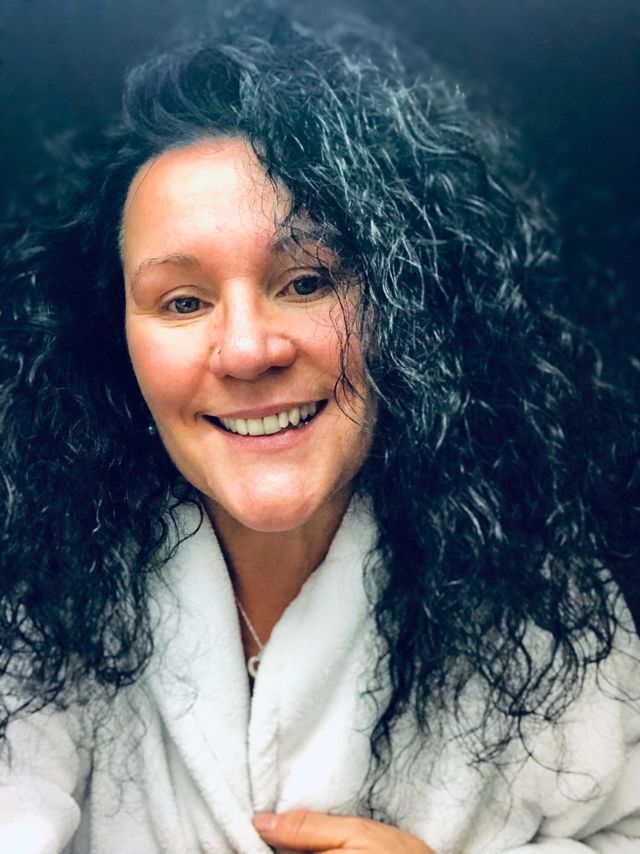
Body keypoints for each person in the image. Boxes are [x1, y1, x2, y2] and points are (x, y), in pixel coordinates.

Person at [1, 6, 639, 853]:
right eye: (182, 302)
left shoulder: (541, 596)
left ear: (405, 307)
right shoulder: (39, 596)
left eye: (306, 282)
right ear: (114, 342)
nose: (247, 350)